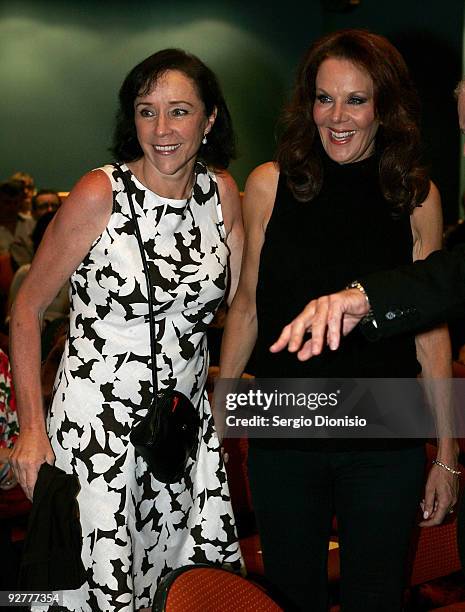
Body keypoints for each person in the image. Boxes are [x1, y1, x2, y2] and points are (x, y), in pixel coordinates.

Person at [219, 29, 457, 611]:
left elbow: (430, 331)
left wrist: (448, 455)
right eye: (325, 98)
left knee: (374, 598)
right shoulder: (268, 184)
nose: (337, 117)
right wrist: (222, 421)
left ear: (385, 106)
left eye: (356, 99)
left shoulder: (416, 196)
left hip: (385, 429)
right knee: (289, 597)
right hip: (284, 422)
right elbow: (247, 304)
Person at [9, 48, 243, 610]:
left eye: (179, 111)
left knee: (178, 586)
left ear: (210, 119)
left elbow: (237, 304)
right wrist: (32, 430)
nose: (161, 129)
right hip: (97, 431)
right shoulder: (100, 193)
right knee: (101, 589)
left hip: (179, 432)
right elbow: (26, 308)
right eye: (146, 110)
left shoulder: (222, 194)